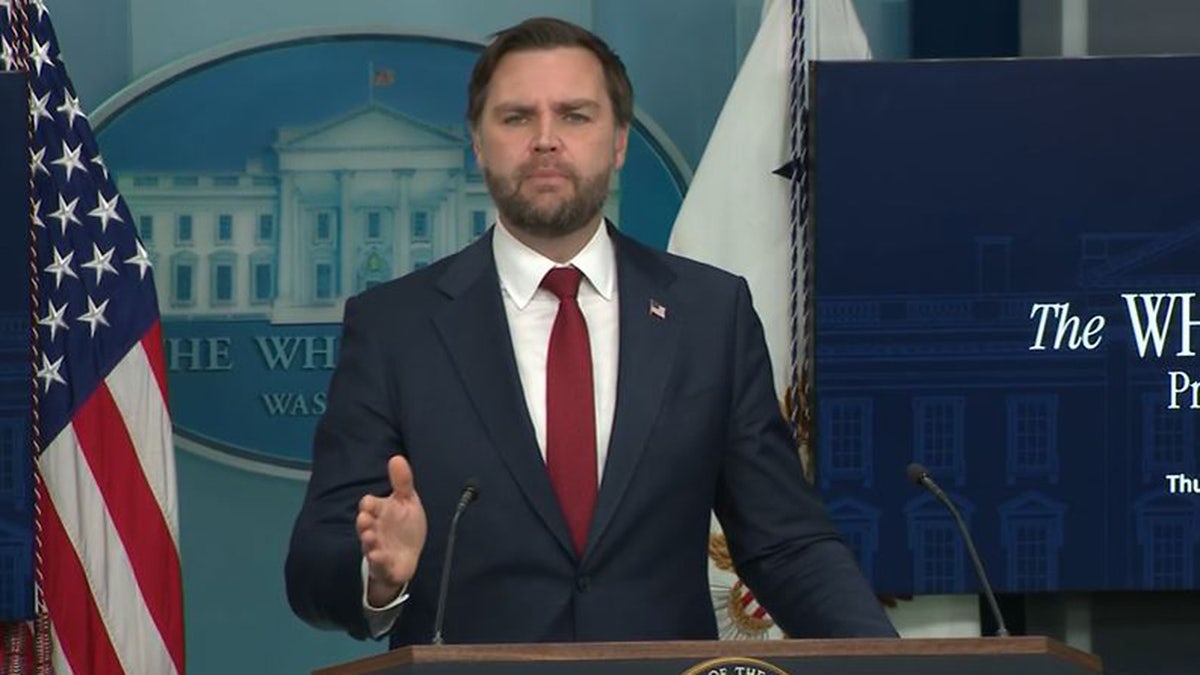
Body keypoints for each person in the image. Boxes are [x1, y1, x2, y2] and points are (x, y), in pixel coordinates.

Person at [285, 16, 896, 647]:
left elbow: (787, 543)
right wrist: (378, 573)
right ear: (477, 141)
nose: (546, 140)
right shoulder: (395, 327)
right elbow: (313, 565)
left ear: (620, 140)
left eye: (575, 116)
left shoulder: (711, 314)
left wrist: (896, 669)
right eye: (517, 117)